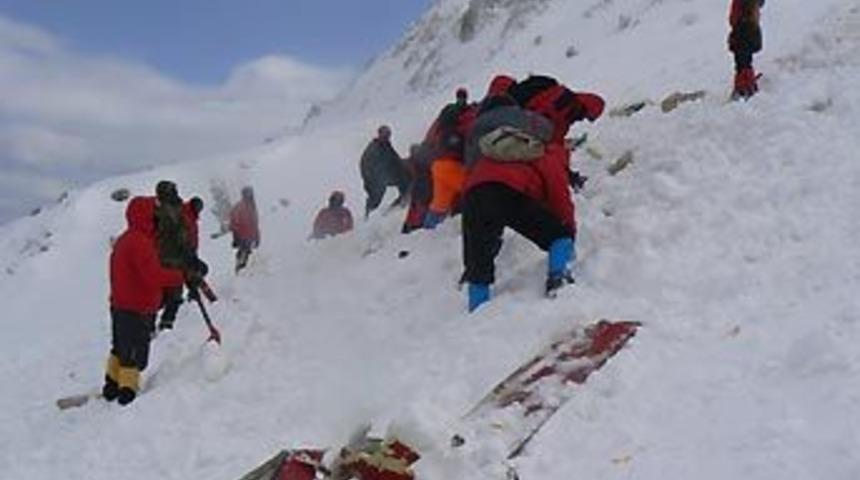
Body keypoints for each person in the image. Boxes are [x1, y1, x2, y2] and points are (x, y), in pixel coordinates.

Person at [462, 75, 605, 312]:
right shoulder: (537, 142)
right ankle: (559, 281)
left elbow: (471, 182)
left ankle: (477, 312)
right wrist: (566, 229)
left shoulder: (481, 146)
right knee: (558, 236)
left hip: (473, 195)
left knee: (479, 268)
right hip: (510, 194)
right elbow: (557, 188)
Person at [103, 197, 185, 405]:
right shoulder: (140, 243)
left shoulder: (126, 239)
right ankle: (127, 394)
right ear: (147, 216)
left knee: (120, 347)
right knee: (134, 355)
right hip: (136, 308)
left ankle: (111, 385)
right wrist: (179, 276)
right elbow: (153, 275)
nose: (159, 219)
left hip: (120, 305)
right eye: (155, 215)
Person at [153, 180, 193, 331]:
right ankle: (165, 324)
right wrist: (188, 252)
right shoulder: (171, 210)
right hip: (172, 258)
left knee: (163, 294)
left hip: (161, 257)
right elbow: (180, 234)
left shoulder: (158, 210)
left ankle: (154, 324)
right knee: (174, 293)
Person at [359, 125, 411, 219]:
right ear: (379, 134)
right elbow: (366, 166)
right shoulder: (374, 149)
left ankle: (400, 204)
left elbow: (395, 159)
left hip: (387, 175)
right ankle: (369, 219)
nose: (387, 137)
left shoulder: (386, 145)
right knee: (376, 198)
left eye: (388, 134)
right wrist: (374, 180)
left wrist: (404, 163)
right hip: (375, 179)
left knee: (405, 182)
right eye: (385, 135)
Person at [728, 0, 765, 99]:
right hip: (746, 29)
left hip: (744, 31)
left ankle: (745, 88)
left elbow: (737, 15)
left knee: (742, 62)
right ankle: (746, 85)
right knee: (744, 61)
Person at [230, 186, 260, 273]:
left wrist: (257, 237)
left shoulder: (252, 207)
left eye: (250, 194)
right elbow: (234, 221)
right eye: (248, 194)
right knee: (243, 254)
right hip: (242, 236)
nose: (250, 196)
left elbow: (255, 223)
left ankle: (242, 271)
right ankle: (239, 271)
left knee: (247, 255)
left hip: (249, 237)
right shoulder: (240, 207)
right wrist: (235, 236)